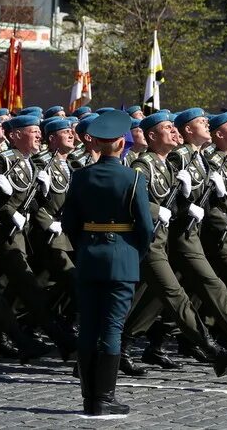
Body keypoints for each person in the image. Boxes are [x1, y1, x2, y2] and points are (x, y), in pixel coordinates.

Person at [62, 110, 153, 416]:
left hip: (89, 255)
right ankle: (104, 398)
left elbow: (69, 223)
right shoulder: (133, 177)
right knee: (112, 329)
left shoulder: (81, 176)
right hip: (122, 257)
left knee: (87, 327)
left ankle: (89, 398)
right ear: (119, 143)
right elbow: (145, 228)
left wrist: (86, 245)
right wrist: (132, 255)